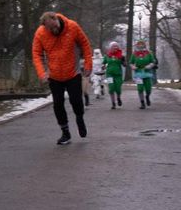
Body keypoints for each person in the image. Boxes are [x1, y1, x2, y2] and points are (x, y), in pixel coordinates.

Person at [32, 10, 93, 146]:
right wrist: (42, 73)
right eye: (50, 29)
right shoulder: (41, 33)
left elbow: (85, 45)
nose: (54, 30)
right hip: (54, 75)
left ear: (56, 19)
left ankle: (79, 117)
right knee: (58, 104)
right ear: (44, 26)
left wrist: (88, 64)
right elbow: (36, 54)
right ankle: (65, 132)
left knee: (76, 100)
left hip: (73, 72)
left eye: (55, 27)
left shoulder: (73, 26)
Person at [130, 38, 156, 109]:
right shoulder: (134, 53)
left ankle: (147, 96)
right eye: (139, 44)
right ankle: (142, 103)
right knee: (140, 88)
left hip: (147, 72)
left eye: (142, 44)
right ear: (137, 45)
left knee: (148, 89)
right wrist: (133, 67)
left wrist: (149, 66)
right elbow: (131, 63)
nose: (140, 45)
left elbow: (153, 62)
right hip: (138, 72)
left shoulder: (148, 53)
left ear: (144, 45)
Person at [103, 41, 125, 109]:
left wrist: (124, 61)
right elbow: (104, 63)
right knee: (111, 88)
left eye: (116, 46)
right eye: (113, 46)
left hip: (118, 74)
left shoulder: (120, 55)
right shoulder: (107, 55)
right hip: (109, 74)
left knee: (118, 89)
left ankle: (118, 98)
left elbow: (124, 64)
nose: (115, 47)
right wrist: (103, 66)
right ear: (110, 48)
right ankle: (113, 103)